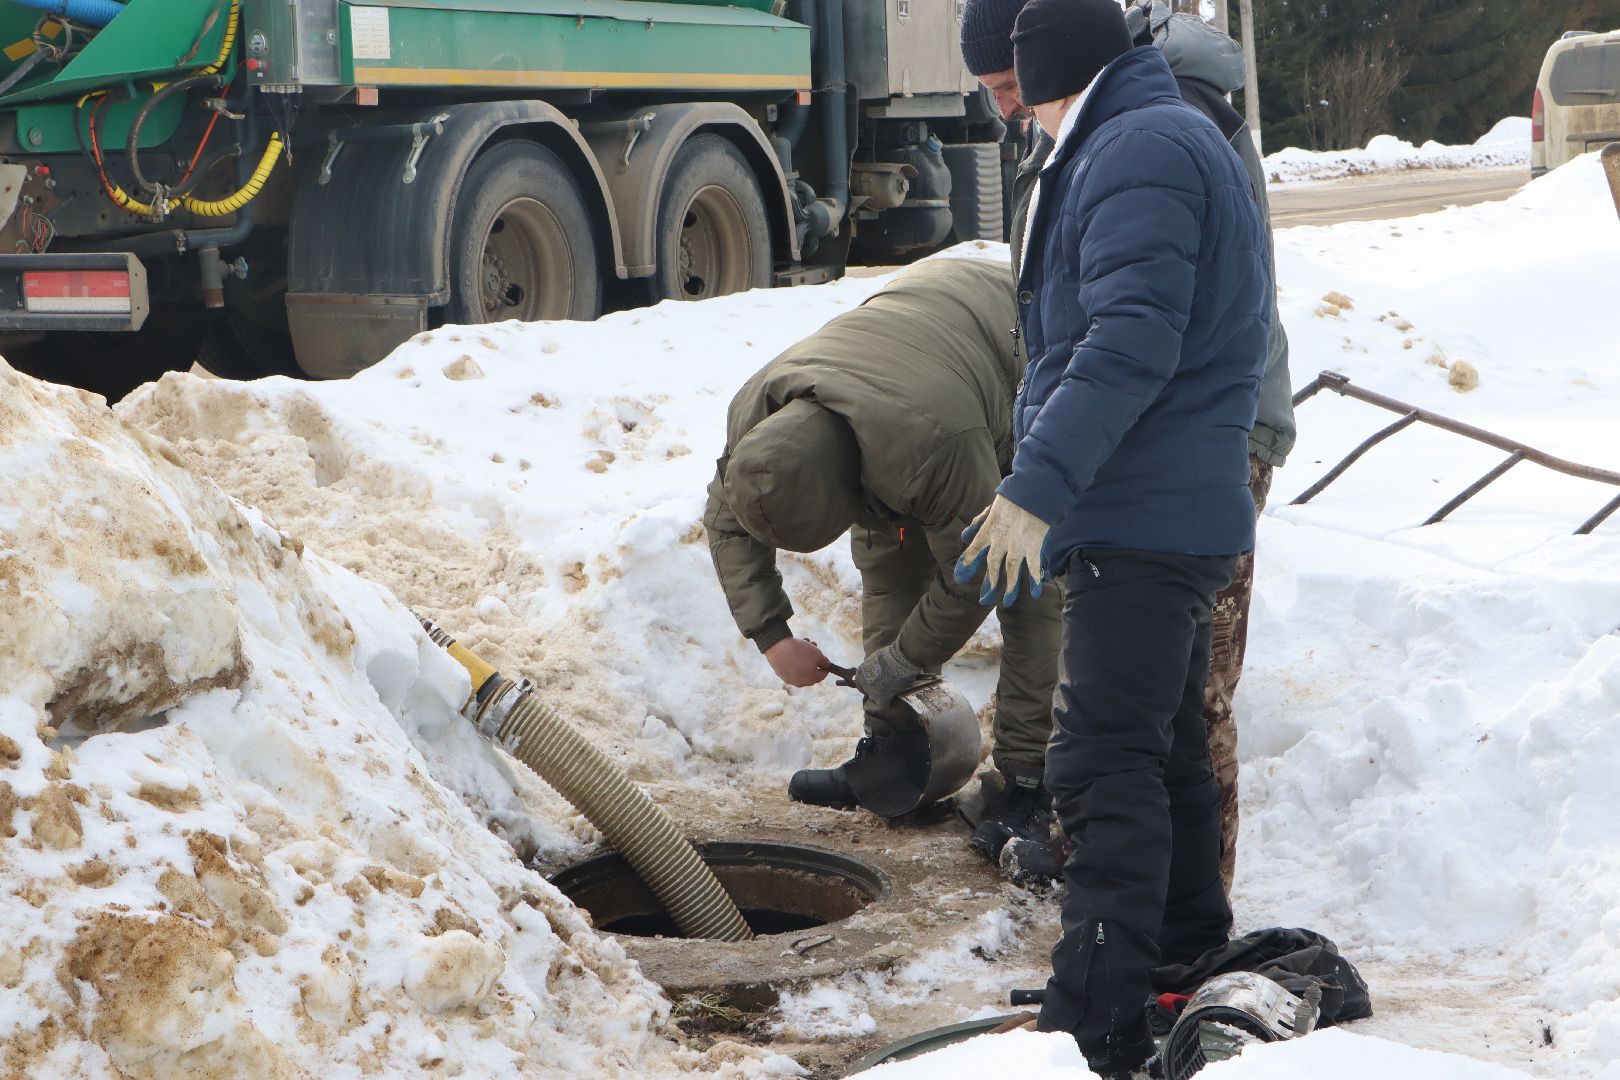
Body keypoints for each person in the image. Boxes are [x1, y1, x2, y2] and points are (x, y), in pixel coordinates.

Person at [953, 0, 1271, 1074]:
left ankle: (1099, 1015)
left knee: (1097, 763)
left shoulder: (1136, 145)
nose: (1015, 115)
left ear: (1045, 74)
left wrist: (1038, 487)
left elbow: (1131, 337)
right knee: (1166, 749)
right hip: (1154, 505)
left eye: (1012, 91)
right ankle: (1180, 960)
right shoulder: (1134, 135)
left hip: (1146, 512)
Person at [702, 256, 1061, 863]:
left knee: (1025, 577)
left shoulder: (937, 444)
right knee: (888, 552)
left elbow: (975, 579)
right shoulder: (756, 420)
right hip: (906, 354)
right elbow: (725, 522)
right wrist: (770, 634)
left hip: (1013, 339)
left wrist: (903, 660)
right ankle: (898, 747)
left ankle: (1029, 781)